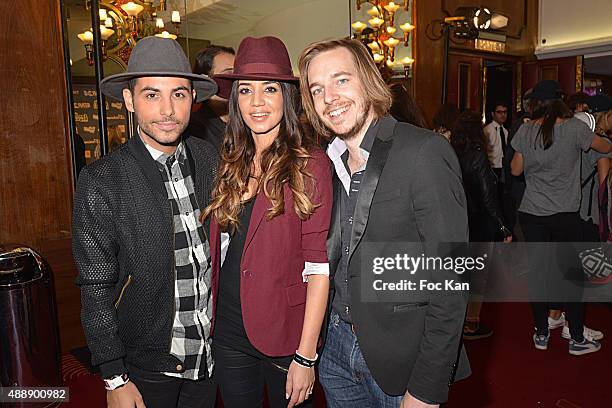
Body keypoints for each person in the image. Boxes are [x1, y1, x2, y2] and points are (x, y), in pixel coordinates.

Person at [299, 38, 470, 408]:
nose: (330, 97)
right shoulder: (326, 163)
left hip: (402, 359)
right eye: (317, 89)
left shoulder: (423, 152)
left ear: (368, 80)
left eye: (341, 80)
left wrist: (427, 386)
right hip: (335, 349)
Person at [72, 37, 219, 408]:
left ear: (192, 99)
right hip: (146, 367)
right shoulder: (102, 180)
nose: (168, 110)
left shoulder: (209, 159)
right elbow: (95, 289)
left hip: (208, 356)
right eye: (152, 95)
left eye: (179, 94)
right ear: (128, 100)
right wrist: (113, 376)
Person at [203, 36, 332, 408]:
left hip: (284, 334)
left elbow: (318, 267)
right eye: (246, 90)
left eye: (269, 89)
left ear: (286, 96)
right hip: (227, 330)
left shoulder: (311, 164)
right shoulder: (230, 160)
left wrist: (306, 354)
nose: (256, 102)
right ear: (235, 99)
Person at [510, 80, 612, 355]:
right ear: (561, 102)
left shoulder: (525, 130)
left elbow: (516, 170)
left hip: (532, 214)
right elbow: (603, 147)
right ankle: (576, 338)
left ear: (536, 104)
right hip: (566, 214)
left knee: (539, 275)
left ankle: (542, 333)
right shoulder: (574, 128)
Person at [450, 111, 512, 340]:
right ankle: (471, 323)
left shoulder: (449, 153)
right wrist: (502, 226)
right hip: (478, 222)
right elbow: (488, 197)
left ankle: (456, 320)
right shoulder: (477, 156)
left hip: (456, 220)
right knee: (478, 275)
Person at [187, 45, 236, 151]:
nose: (236, 82)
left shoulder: (247, 120)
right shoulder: (195, 129)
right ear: (205, 81)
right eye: (228, 75)